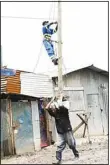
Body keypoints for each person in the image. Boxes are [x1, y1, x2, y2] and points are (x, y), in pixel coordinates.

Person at [45, 96, 79, 164]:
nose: (52, 108)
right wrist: (51, 101)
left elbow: (60, 104)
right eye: (52, 108)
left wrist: (59, 98)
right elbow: (46, 108)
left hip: (67, 130)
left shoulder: (63, 110)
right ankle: (59, 160)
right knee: (59, 146)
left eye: (53, 107)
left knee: (71, 144)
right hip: (60, 132)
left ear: (56, 107)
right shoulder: (54, 114)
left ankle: (76, 154)